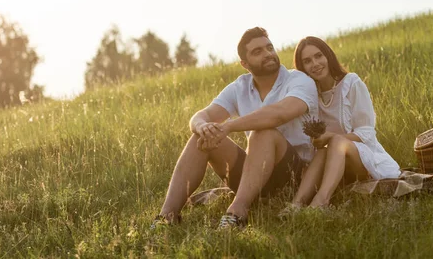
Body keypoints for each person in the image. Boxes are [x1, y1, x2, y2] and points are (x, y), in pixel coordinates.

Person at [152, 27, 319, 229]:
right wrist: (203, 126)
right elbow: (201, 115)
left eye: (269, 47)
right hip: (253, 174)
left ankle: (236, 213)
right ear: (245, 64)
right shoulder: (240, 87)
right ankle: (166, 217)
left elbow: (279, 114)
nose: (267, 53)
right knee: (201, 138)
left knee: (263, 131)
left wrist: (229, 126)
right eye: (257, 52)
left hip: (294, 176)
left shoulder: (299, 80)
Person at [283, 36, 400, 212]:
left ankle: (321, 202)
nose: (315, 63)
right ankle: (296, 205)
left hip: (361, 159)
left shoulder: (351, 83)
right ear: (302, 68)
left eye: (318, 56)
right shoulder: (310, 96)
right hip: (332, 163)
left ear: (328, 56)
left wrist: (331, 137)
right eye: (307, 61)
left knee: (335, 142)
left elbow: (367, 133)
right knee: (324, 149)